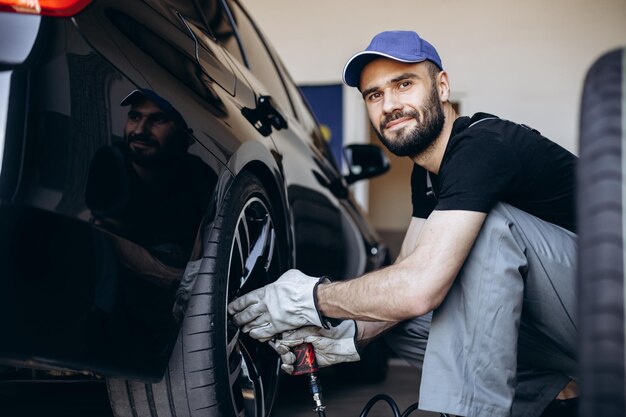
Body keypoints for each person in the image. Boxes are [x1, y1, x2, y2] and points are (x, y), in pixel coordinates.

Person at [228, 31, 578, 417]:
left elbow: (419, 288)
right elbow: (404, 278)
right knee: (395, 321)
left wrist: (311, 298)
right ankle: (558, 400)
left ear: (442, 87)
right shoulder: (426, 174)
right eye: (374, 95)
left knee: (489, 229)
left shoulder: (483, 144)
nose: (389, 105)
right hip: (566, 326)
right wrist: (348, 337)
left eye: (404, 84)